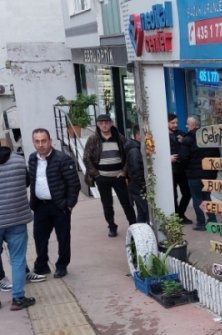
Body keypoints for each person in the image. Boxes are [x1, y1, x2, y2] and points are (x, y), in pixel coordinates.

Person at [27, 128, 80, 279]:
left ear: (50, 141)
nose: (40, 144)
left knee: (63, 237)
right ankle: (42, 265)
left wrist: (68, 204)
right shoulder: (32, 159)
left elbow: (74, 184)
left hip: (59, 206)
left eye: (44, 140)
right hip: (40, 206)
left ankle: (62, 265)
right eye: (37, 141)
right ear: (33, 142)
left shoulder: (63, 159)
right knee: (39, 236)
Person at [83, 114, 136, 237]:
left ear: (111, 123)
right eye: (101, 123)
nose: (104, 125)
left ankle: (133, 225)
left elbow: (128, 155)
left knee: (126, 202)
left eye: (106, 122)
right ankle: (112, 226)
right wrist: (96, 175)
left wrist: (124, 171)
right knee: (107, 204)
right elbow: (86, 158)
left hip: (119, 177)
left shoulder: (119, 138)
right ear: (97, 124)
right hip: (103, 178)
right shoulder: (93, 139)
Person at [0, 144, 36, 310]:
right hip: (16, 218)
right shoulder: (18, 160)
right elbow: (27, 182)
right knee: (18, 259)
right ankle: (18, 299)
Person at [178, 116, 219, 231]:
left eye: (187, 124)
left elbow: (183, 157)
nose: (186, 126)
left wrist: (185, 168)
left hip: (194, 175)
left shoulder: (187, 139)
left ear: (194, 125)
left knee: (197, 198)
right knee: (207, 197)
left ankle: (201, 223)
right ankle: (212, 221)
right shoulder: (209, 138)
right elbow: (217, 156)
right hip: (209, 174)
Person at [169, 112, 191, 224]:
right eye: (172, 123)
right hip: (170, 171)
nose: (175, 125)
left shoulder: (181, 134)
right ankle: (176, 218)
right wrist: (168, 158)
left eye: (176, 122)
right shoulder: (161, 136)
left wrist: (184, 140)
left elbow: (190, 143)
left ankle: (181, 214)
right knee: (173, 195)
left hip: (182, 169)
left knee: (187, 193)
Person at [124, 125, 149, 223]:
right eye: (145, 134)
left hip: (135, 187)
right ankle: (144, 236)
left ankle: (139, 236)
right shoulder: (135, 150)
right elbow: (136, 171)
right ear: (138, 135)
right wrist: (144, 186)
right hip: (138, 188)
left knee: (142, 214)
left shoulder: (135, 147)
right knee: (147, 214)